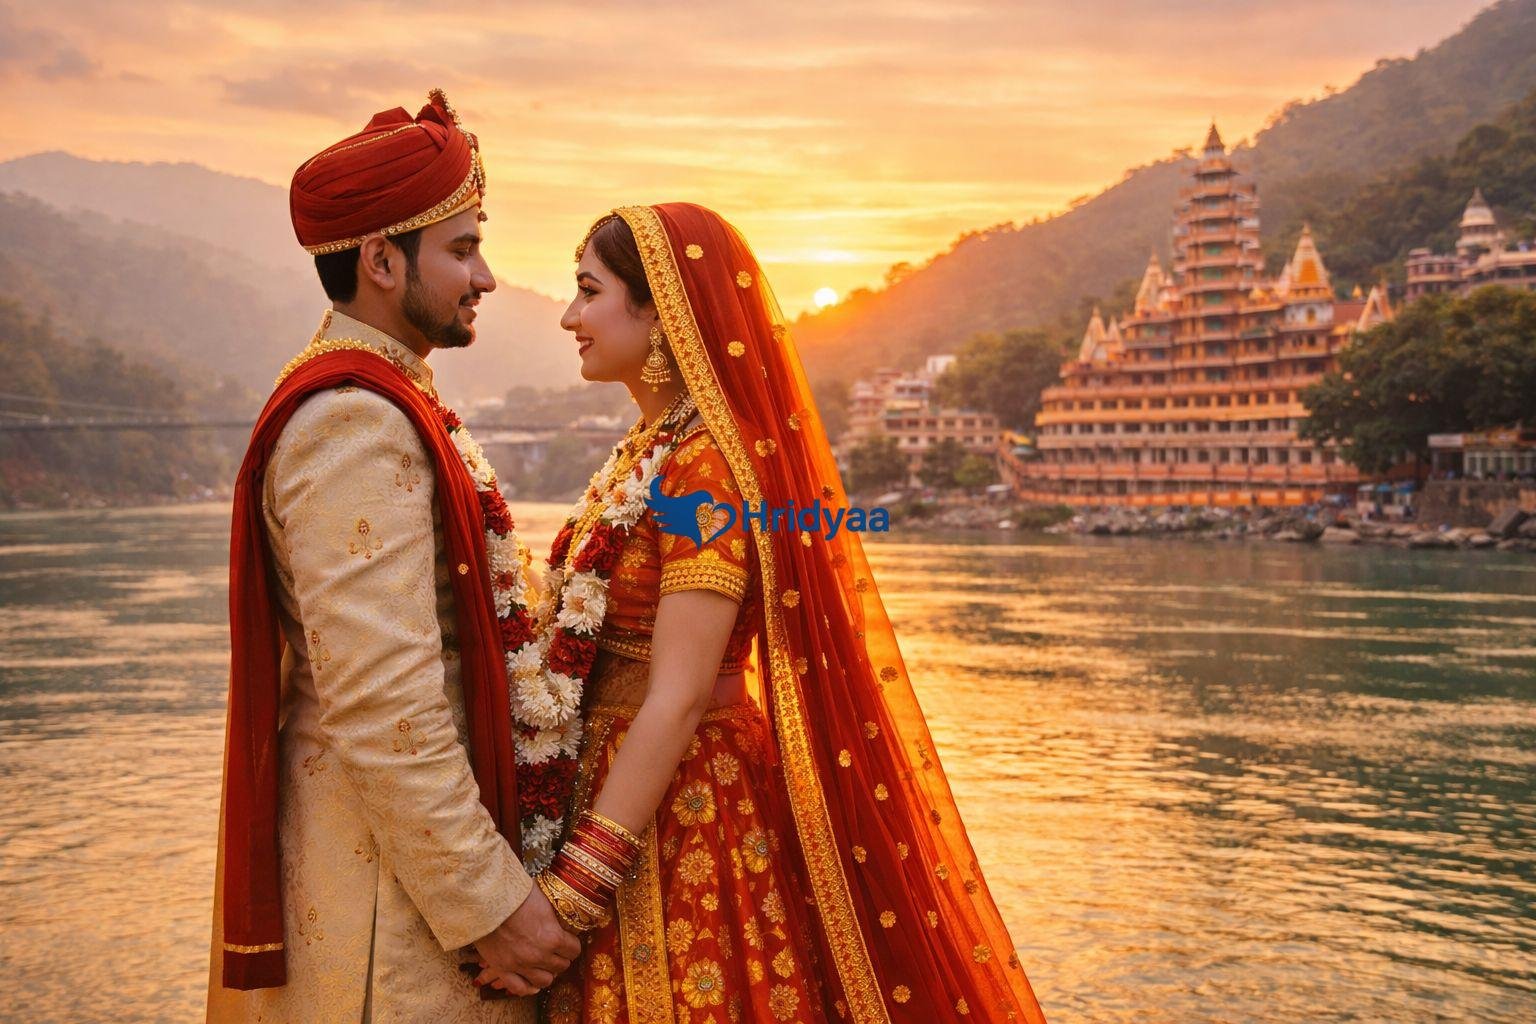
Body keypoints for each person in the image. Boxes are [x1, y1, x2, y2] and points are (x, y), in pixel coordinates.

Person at [485, 204, 1047, 1022]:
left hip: (681, 807)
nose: (570, 317)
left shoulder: (706, 467)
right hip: (620, 788)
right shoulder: (650, 449)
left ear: (661, 310)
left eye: (588, 291)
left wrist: (576, 888)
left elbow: (679, 695)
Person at [206, 90, 579, 1023]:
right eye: (463, 249)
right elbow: (382, 706)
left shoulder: (384, 399)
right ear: (381, 260)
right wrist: (494, 908)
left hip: (398, 889)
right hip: (389, 922)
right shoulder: (353, 423)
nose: (485, 276)